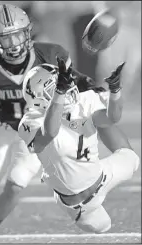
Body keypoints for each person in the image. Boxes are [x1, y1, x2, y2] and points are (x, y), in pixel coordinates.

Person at [0, 4, 125, 243]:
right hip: (3, 124)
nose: (13, 44)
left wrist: (93, 86)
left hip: (34, 128)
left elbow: (74, 78)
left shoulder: (51, 54)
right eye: (6, 38)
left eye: (17, 36)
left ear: (28, 33)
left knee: (16, 183)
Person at [18, 58, 140, 233]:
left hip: (102, 175)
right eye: (55, 89)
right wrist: (59, 94)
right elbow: (49, 133)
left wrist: (115, 90)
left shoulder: (84, 100)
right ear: (38, 99)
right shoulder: (30, 121)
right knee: (102, 227)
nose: (66, 91)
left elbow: (111, 118)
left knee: (132, 159)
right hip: (80, 203)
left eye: (65, 85)